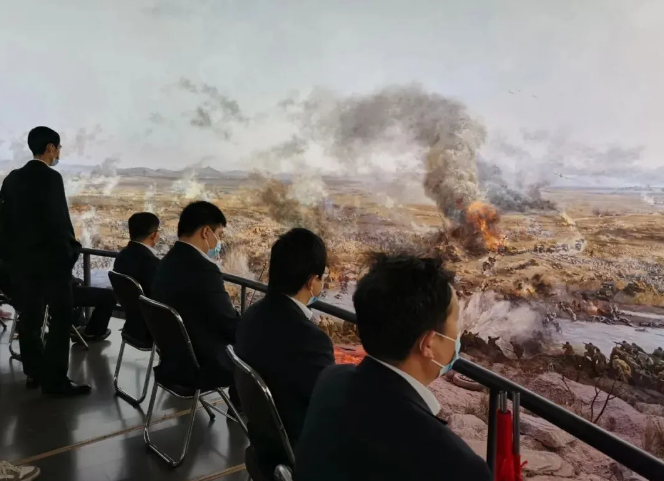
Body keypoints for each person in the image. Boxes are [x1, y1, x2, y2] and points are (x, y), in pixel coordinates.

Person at [296, 254, 491, 481]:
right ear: (428, 344)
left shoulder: (330, 380)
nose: (457, 335)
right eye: (455, 323)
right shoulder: (457, 466)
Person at [0, 127, 89, 395]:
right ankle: (55, 380)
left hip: (20, 266)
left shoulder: (12, 179)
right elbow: (58, 222)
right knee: (61, 319)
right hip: (51, 265)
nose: (59, 153)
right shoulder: (51, 178)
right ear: (50, 148)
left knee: (30, 318)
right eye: (58, 148)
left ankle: (34, 371)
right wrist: (72, 251)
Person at [236, 228, 334, 466]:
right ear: (312, 282)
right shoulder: (311, 341)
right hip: (295, 452)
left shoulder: (251, 315)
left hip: (262, 441)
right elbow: (328, 411)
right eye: (322, 277)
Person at [152, 201, 240, 393]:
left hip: (173, 360)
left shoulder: (167, 261)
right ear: (206, 232)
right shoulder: (204, 269)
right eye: (219, 235)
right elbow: (228, 325)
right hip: (201, 364)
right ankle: (242, 405)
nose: (219, 242)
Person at [111, 212, 161, 343]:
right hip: (152, 330)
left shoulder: (122, 256)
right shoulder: (152, 263)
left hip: (132, 325)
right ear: (154, 235)